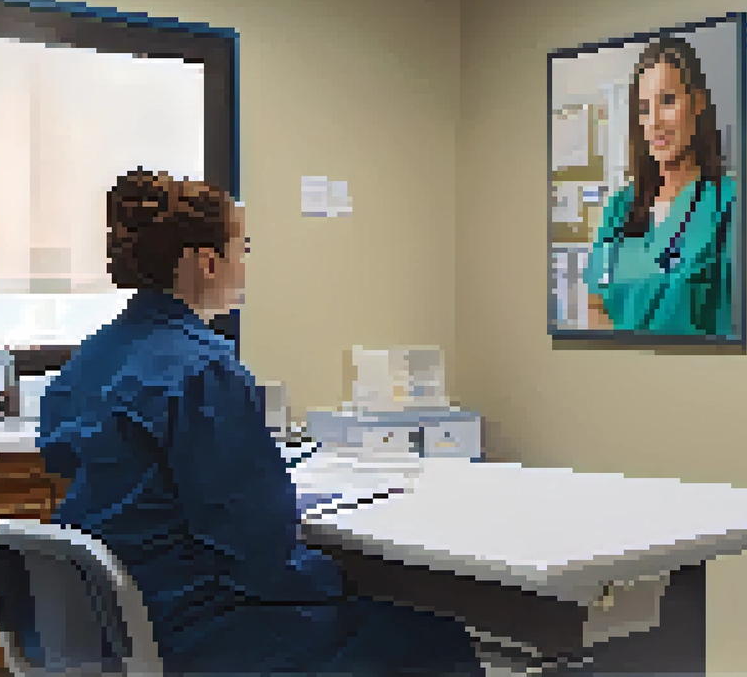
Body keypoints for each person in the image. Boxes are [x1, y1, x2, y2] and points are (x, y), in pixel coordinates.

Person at [37, 169, 483, 676]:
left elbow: (81, 466)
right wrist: (348, 578)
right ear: (208, 263)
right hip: (200, 633)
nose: (245, 265)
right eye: (242, 250)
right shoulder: (202, 368)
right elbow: (258, 550)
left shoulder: (90, 359)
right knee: (437, 639)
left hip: (109, 628)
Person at [585, 36, 737, 337]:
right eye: (644, 108)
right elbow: (596, 303)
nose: (654, 122)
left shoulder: (727, 203)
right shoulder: (619, 209)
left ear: (697, 103)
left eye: (667, 101)